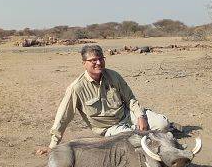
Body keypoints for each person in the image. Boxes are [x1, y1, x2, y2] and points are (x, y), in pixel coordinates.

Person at [36, 44, 178, 155]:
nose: (98, 63)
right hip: (109, 128)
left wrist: (141, 116)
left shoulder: (114, 76)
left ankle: (146, 130)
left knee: (162, 124)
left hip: (127, 116)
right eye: (93, 60)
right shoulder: (76, 88)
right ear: (84, 63)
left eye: (101, 59)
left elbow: (130, 99)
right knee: (132, 141)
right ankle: (143, 133)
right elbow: (63, 117)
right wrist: (52, 146)